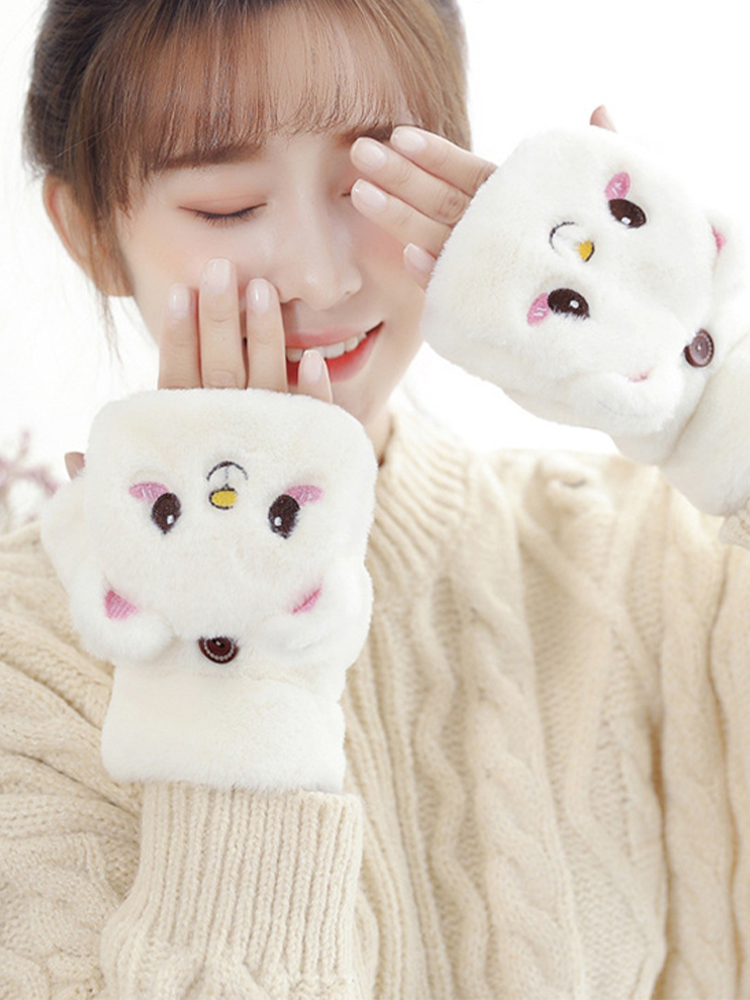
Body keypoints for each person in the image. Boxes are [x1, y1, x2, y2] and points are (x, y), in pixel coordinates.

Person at [2, 0, 749, 997]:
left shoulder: (648, 552)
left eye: (371, 181)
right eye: (228, 206)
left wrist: (712, 399)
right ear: (92, 232)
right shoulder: (27, 659)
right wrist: (236, 658)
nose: (321, 276)